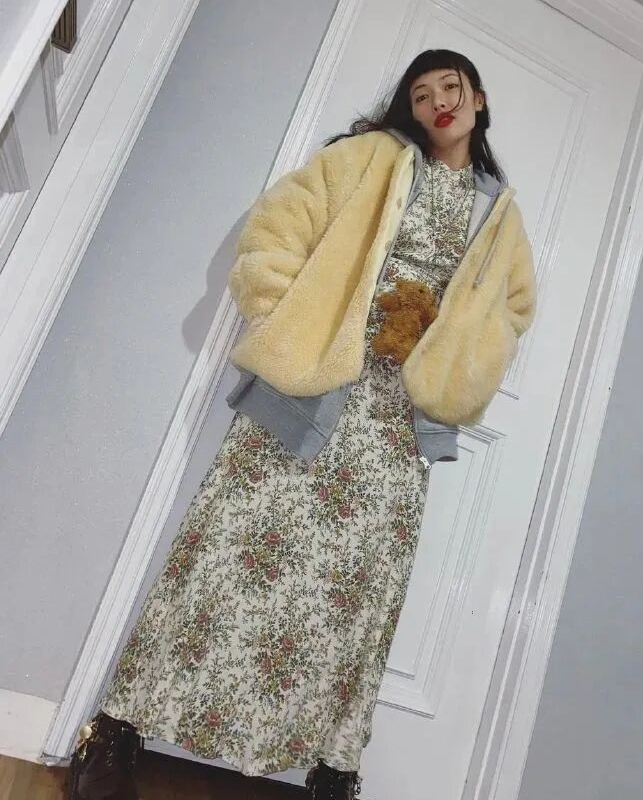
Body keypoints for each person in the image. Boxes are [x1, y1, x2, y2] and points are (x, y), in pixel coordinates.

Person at [66, 48, 537, 800]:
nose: (437, 103)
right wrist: (288, 320)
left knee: (359, 594)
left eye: (450, 88)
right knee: (223, 553)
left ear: (478, 98)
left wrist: (454, 355)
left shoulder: (500, 215)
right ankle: (116, 730)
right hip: (316, 390)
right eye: (420, 94)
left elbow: (512, 313)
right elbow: (276, 228)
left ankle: (333, 770)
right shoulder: (367, 158)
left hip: (397, 425)